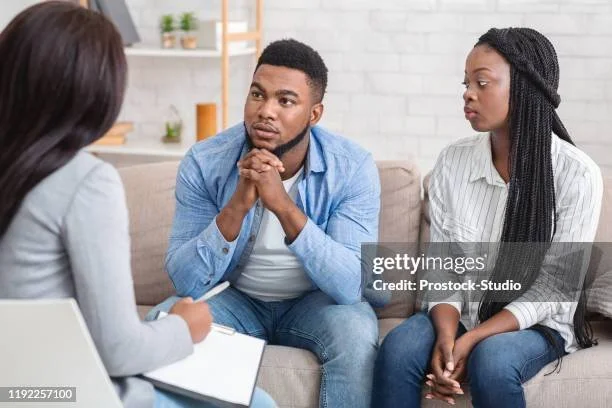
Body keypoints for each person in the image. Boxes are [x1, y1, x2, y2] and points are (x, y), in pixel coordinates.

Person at [0, 3, 275, 408]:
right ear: (97, 89)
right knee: (260, 403)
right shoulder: (87, 183)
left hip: (15, 389)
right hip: (66, 395)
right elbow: (119, 349)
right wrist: (185, 326)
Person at [372, 27, 603, 408]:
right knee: (398, 349)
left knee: (493, 362)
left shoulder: (576, 174)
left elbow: (552, 288)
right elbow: (442, 268)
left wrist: (472, 340)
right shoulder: (453, 161)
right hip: (463, 310)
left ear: (526, 89)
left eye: (482, 82)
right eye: (466, 82)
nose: (467, 92)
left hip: (536, 323)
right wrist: (448, 337)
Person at [148, 39, 381, 408]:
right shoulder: (205, 161)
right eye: (257, 94)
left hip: (313, 304)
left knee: (356, 331)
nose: (266, 111)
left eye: (285, 101)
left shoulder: (352, 168)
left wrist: (283, 206)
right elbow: (187, 282)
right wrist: (238, 205)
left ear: (314, 114)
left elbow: (351, 285)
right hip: (235, 298)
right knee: (164, 321)